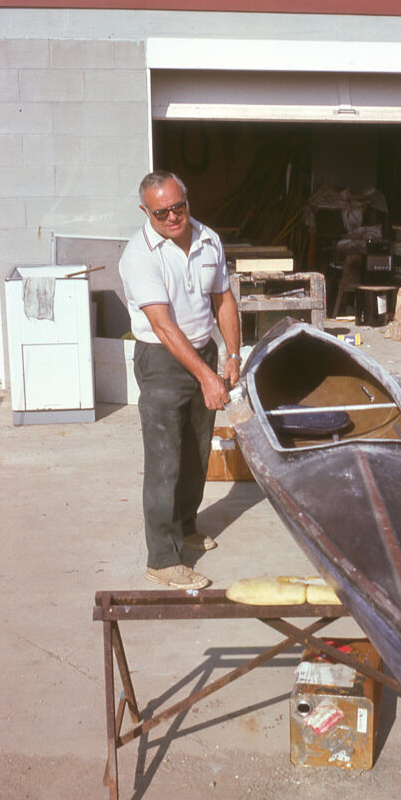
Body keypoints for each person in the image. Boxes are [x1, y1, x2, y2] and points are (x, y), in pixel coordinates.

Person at [119, 171, 241, 590]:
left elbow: (223, 298)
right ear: (145, 211)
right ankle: (163, 558)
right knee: (165, 461)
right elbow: (165, 327)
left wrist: (233, 354)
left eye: (179, 206)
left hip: (203, 349)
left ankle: (186, 525)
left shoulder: (208, 239)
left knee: (196, 451)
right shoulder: (139, 255)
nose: (173, 216)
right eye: (161, 211)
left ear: (187, 200)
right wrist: (207, 377)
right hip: (163, 360)